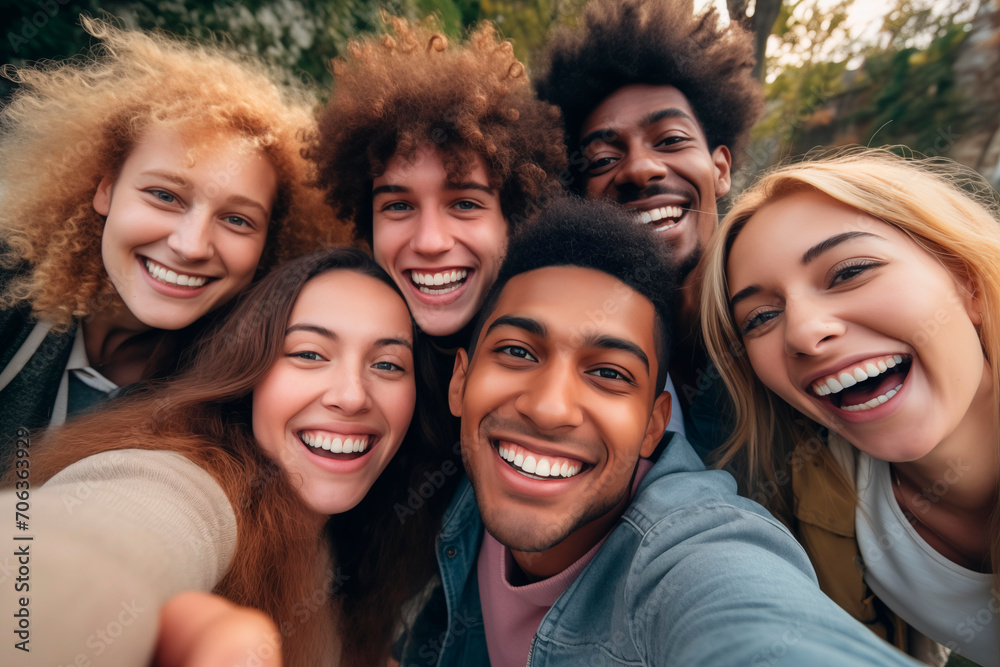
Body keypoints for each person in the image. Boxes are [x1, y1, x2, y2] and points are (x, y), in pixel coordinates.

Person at [399, 195, 924, 666]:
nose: (549, 408)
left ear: (654, 426)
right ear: (461, 382)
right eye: (517, 352)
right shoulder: (453, 480)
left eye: (608, 373)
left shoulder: (690, 546)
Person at [0, 247, 448, 667]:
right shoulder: (190, 481)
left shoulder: (371, 542)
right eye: (309, 354)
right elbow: (106, 535)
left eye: (388, 364)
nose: (352, 397)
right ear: (248, 373)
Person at [700, 148, 1000, 666]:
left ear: (966, 280)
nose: (804, 333)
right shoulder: (817, 496)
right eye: (762, 316)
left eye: (849, 272)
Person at [0, 17, 346, 464]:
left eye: (238, 220)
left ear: (268, 244)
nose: (191, 245)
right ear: (104, 189)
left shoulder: (248, 385)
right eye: (164, 196)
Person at [533, 0, 764, 455]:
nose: (639, 169)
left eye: (671, 140)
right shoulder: (568, 357)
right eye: (602, 159)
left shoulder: (791, 321)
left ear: (720, 170)